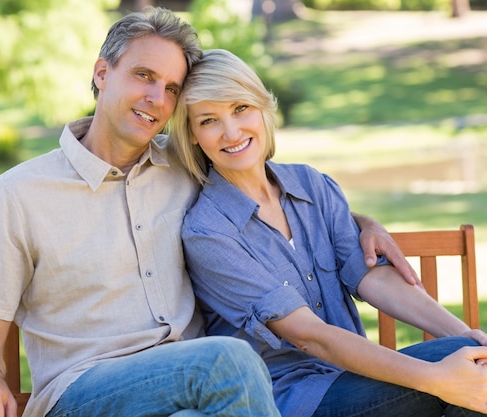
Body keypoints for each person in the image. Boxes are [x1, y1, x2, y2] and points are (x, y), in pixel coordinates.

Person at [0, 7, 416, 417]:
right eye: (143, 76)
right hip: (86, 392)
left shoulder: (185, 166)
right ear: (101, 73)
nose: (157, 98)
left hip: (201, 393)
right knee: (227, 359)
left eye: (172, 88)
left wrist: (358, 222)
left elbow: (269, 188)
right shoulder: (19, 194)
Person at [169, 48, 487, 417]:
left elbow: (373, 278)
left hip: (358, 378)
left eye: (240, 108)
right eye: (209, 120)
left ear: (261, 107)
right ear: (192, 135)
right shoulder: (208, 232)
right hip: (292, 400)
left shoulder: (312, 185)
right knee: (462, 369)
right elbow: (308, 335)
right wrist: (436, 377)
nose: (232, 131)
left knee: (471, 365)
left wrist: (468, 335)